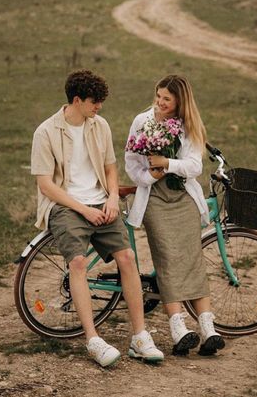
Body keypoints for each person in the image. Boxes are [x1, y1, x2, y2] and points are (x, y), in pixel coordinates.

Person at [30, 69, 163, 368]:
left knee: (128, 257)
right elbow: (45, 184)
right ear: (77, 100)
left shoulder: (99, 125)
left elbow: (110, 168)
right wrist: (83, 208)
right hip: (65, 205)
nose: (99, 107)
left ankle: (139, 337)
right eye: (94, 102)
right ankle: (93, 339)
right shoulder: (46, 132)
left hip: (100, 201)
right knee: (77, 262)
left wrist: (112, 197)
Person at [125, 74, 225, 356]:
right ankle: (179, 328)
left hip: (183, 198)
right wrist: (149, 174)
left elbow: (194, 167)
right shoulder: (142, 121)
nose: (160, 102)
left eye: (166, 99)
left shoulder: (189, 124)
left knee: (192, 259)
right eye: (158, 96)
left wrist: (166, 163)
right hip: (155, 198)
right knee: (167, 258)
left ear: (180, 101)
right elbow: (130, 162)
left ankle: (208, 329)